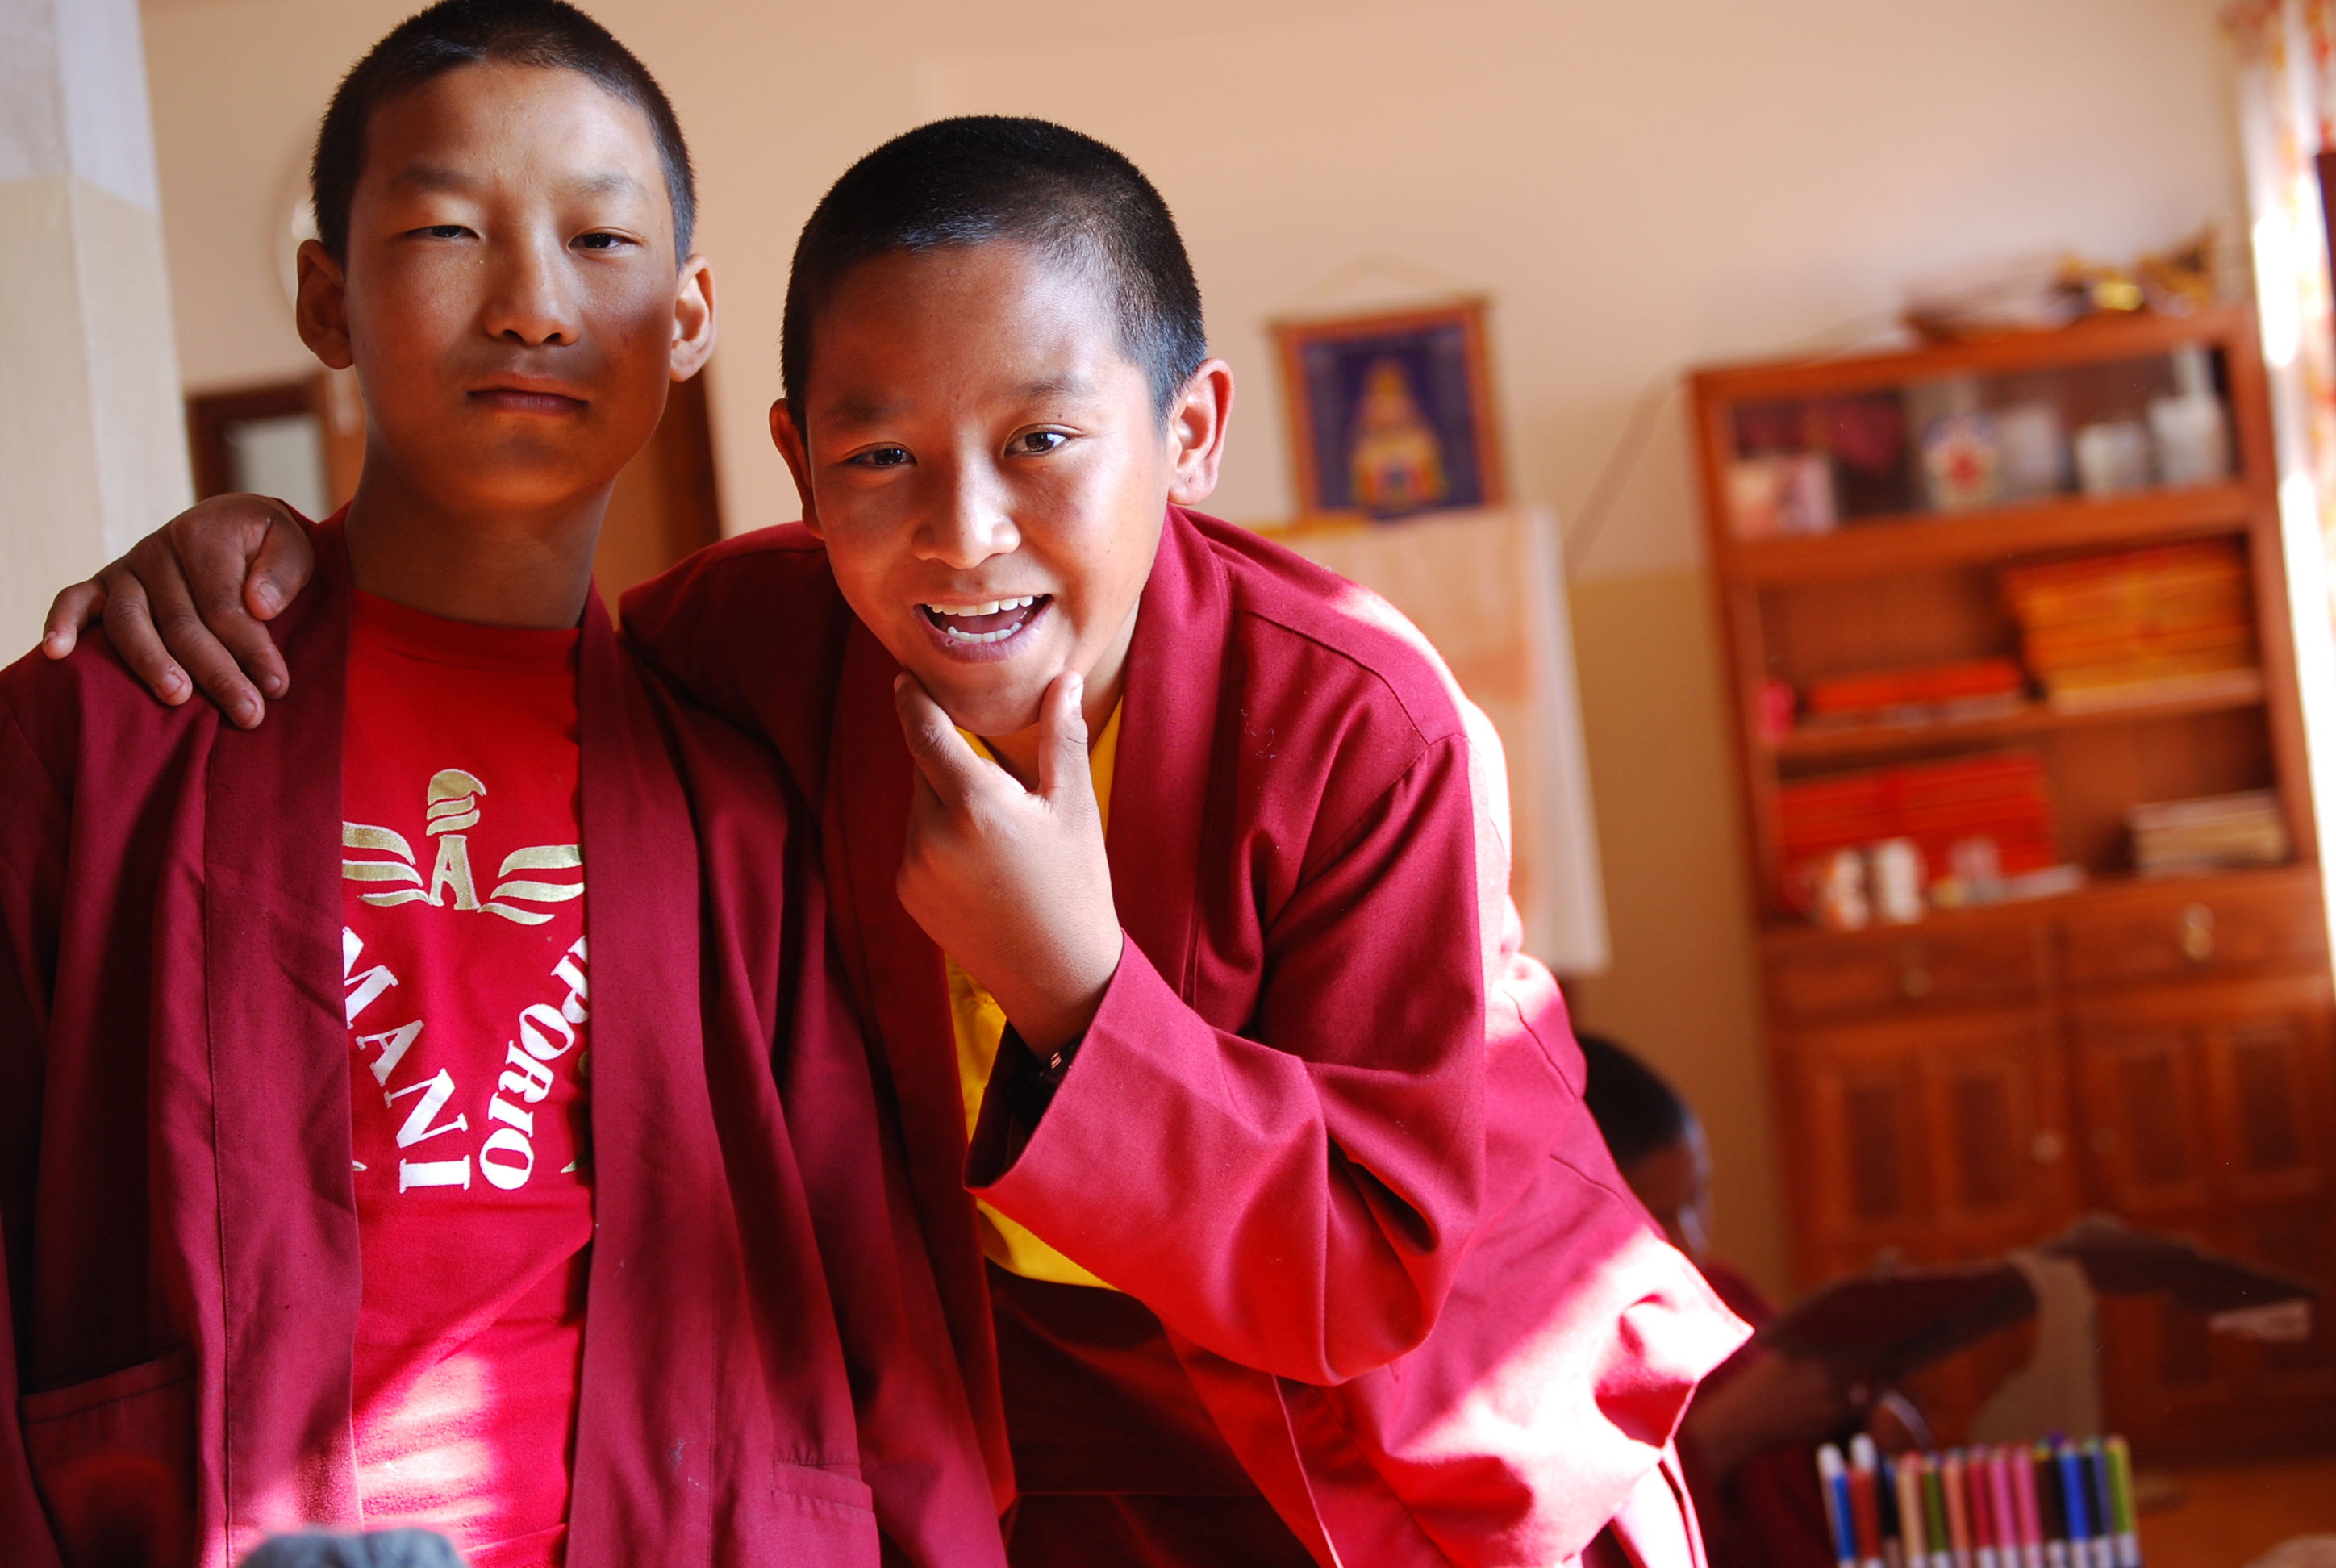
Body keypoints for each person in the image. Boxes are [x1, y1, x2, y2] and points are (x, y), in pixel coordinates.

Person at [47, 118, 1750, 1567]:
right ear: (796, 463)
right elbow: (497, 649)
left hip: (1401, 1444)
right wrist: (262, 552)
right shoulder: (749, 647)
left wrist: (1070, 985)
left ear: (1190, 432)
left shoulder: (1351, 718)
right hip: (1044, 1443)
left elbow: (1367, 1274)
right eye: (880, 455)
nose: (962, 533)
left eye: (1042, 441)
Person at [2, 6, 999, 1566]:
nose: (532, 306)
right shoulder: (107, 732)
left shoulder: (736, 805)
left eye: (601, 240)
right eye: (446, 231)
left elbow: (866, 1299)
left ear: (686, 319)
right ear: (326, 297)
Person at [1579, 1033, 1924, 1568]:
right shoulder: (1568, 1359)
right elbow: (1594, 1540)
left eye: (1698, 1197)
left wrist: (1869, 1415)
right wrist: (1728, 1431)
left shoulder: (1724, 1291)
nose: (1692, 1241)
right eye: (1659, 1217)